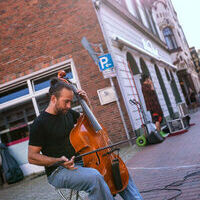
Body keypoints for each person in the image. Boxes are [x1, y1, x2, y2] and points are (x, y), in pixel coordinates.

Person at [28, 77, 143, 200]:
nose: (69, 106)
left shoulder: (67, 113)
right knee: (94, 177)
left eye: (70, 102)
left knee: (116, 168)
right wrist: (58, 161)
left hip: (81, 161)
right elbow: (32, 157)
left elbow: (88, 122)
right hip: (58, 171)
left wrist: (86, 102)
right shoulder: (39, 124)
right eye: (66, 101)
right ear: (53, 99)